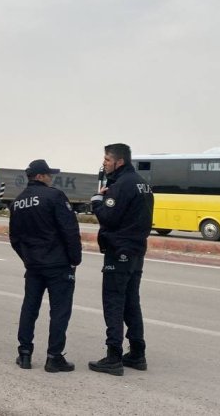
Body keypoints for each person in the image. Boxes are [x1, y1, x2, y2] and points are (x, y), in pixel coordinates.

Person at [8, 159, 82, 373]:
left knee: (30, 308)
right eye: (49, 174)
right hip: (58, 265)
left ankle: (24, 353)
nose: (51, 178)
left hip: (33, 266)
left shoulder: (18, 202)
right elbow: (70, 230)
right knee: (59, 310)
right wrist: (74, 259)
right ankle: (54, 357)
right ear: (40, 176)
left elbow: (14, 238)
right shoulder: (55, 196)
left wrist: (27, 258)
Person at [88, 143, 153, 376]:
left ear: (119, 161)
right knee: (131, 302)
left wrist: (97, 201)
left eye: (107, 159)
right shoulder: (142, 183)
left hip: (119, 250)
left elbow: (109, 218)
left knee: (114, 302)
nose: (104, 164)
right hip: (137, 250)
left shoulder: (121, 185)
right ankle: (137, 352)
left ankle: (113, 356)